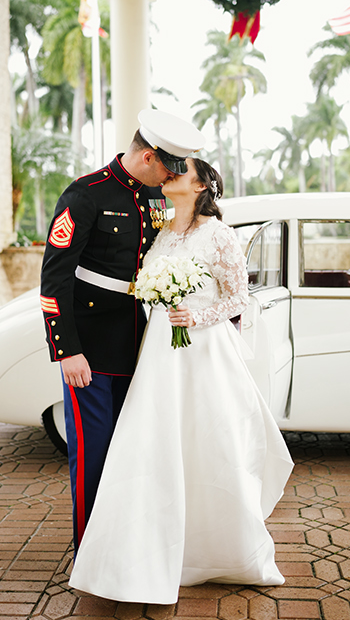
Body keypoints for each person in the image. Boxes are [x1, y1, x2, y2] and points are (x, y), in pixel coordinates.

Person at [69, 156, 294, 603]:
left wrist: (196, 315)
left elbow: (238, 299)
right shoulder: (162, 231)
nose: (169, 173)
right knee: (150, 444)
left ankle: (212, 549)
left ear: (201, 184)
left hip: (202, 354)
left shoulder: (220, 236)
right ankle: (143, 548)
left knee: (205, 444)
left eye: (180, 170)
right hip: (158, 354)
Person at [39, 110, 203, 552]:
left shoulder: (151, 196)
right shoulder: (86, 194)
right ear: (148, 155)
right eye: (167, 169)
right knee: (92, 454)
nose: (169, 179)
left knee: (130, 449)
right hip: (89, 351)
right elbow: (54, 281)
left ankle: (124, 542)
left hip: (137, 342)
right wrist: (66, 351)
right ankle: (89, 551)